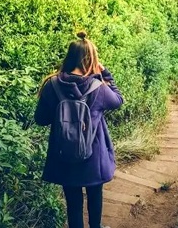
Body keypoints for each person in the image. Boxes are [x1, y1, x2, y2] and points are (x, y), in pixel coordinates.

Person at [34, 32, 123, 228]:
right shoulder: (98, 87)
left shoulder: (52, 84)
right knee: (95, 194)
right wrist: (106, 73)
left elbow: (40, 119)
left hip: (63, 153)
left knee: (73, 201)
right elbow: (118, 100)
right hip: (93, 155)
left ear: (70, 56)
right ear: (91, 59)